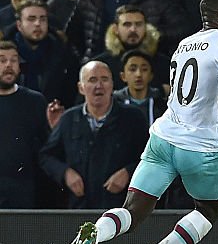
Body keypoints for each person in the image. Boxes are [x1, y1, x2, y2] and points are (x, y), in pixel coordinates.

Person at [60, 0, 218, 244]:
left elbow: (199, 95)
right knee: (210, 209)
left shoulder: (185, 45)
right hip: (199, 148)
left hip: (163, 139)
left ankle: (97, 234)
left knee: (132, 211)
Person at [40, 61, 150, 209]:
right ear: (81, 87)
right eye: (92, 80)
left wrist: (128, 173)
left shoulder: (133, 117)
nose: (99, 85)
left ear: (112, 85)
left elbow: (151, 158)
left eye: (104, 79)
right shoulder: (69, 118)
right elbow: (46, 157)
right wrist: (65, 173)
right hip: (78, 209)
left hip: (121, 210)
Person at [0, 40, 51, 209]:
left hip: (24, 189)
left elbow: (46, 147)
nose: (9, 65)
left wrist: (54, 127)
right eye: (2, 60)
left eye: (14, 60)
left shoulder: (35, 101)